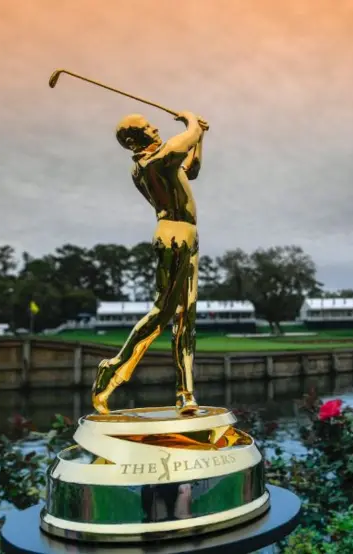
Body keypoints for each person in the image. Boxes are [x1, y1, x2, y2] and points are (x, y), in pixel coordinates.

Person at [92, 111, 208, 415]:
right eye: (146, 127)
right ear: (133, 141)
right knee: (163, 312)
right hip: (173, 235)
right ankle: (112, 369)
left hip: (190, 235)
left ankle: (186, 393)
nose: (154, 127)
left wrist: (202, 136)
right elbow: (183, 141)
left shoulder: (165, 160)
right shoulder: (150, 163)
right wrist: (191, 121)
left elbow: (191, 169)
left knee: (187, 319)